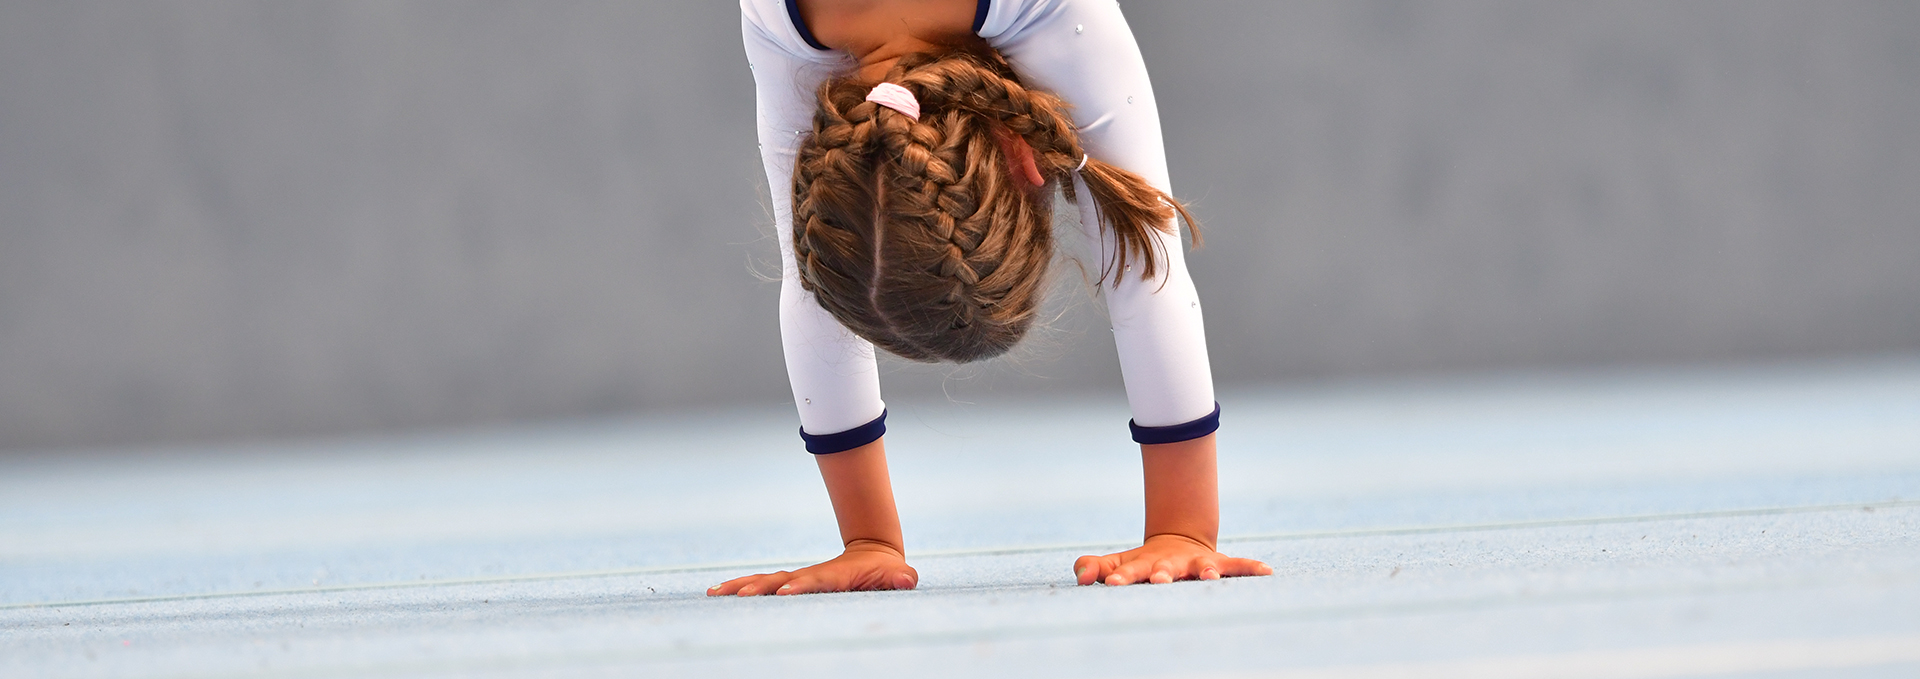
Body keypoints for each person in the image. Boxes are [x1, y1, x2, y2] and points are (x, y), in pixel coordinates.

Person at [713, 0, 1271, 597]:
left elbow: (1143, 259)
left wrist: (1183, 529)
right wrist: (1181, 531)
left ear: (1020, 155)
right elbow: (810, 285)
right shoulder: (782, 17)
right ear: (1025, 149)